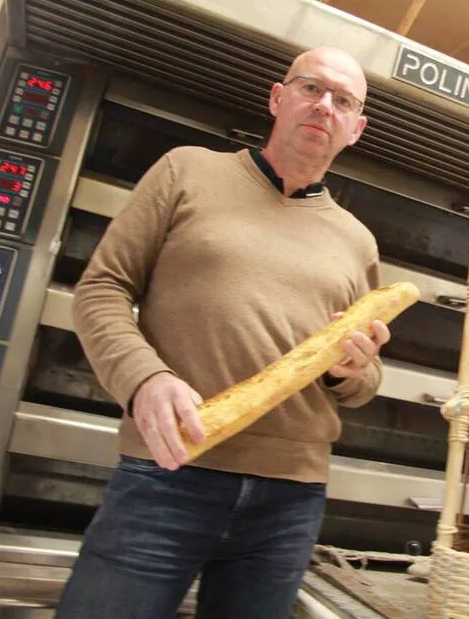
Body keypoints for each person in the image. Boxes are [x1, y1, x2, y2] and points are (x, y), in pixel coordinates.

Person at [54, 46, 390, 619]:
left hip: (290, 499)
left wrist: (351, 371)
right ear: (278, 98)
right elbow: (101, 289)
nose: (324, 106)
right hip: (169, 471)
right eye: (311, 88)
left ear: (355, 128)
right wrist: (144, 380)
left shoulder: (358, 241)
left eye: (343, 100)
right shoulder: (187, 170)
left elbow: (366, 380)